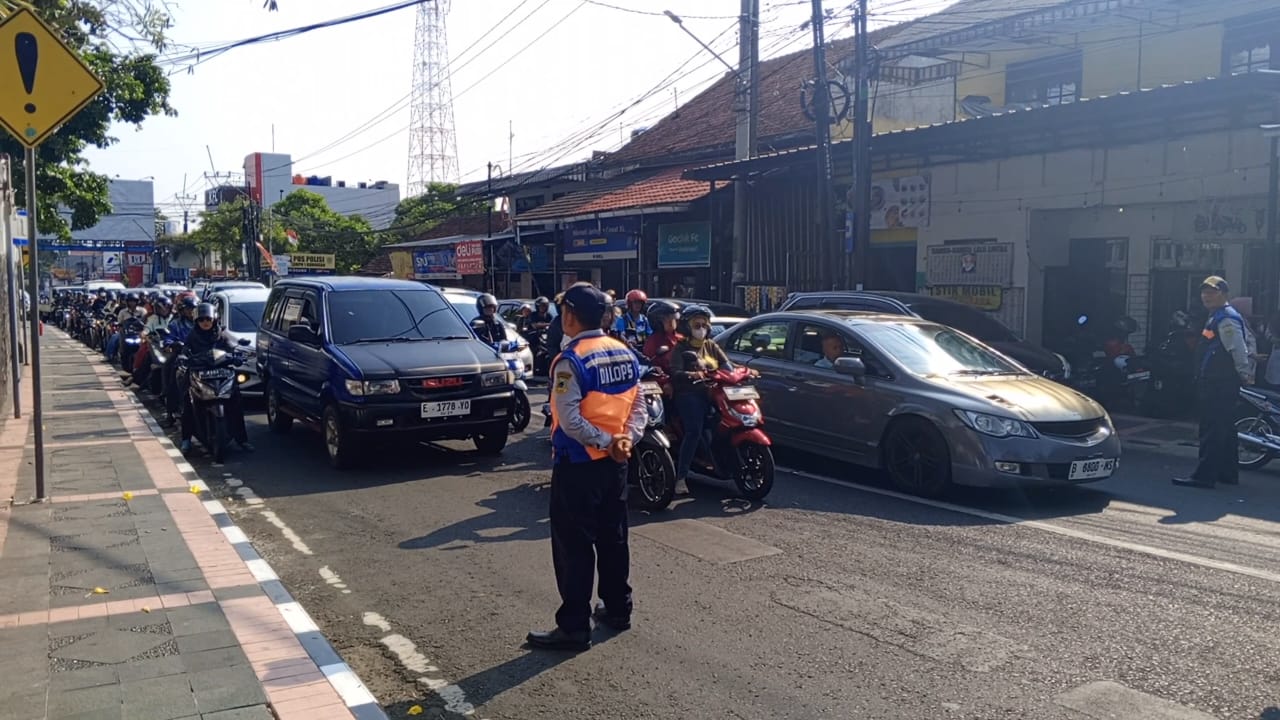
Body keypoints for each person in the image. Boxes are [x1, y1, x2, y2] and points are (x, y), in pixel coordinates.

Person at [527, 283, 646, 653]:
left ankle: (574, 626)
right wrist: (626, 439)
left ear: (568, 315)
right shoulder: (624, 351)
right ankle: (617, 608)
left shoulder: (571, 359)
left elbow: (570, 420)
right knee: (614, 538)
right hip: (616, 465)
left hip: (579, 465)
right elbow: (639, 404)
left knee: (574, 547)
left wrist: (607, 442)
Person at [1174, 276, 1253, 488]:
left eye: (1212, 292)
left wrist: (1245, 373)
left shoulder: (1226, 317)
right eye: (1204, 292)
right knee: (1226, 428)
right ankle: (1227, 474)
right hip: (1219, 381)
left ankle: (1204, 476)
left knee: (1212, 428)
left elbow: (1237, 347)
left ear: (1224, 294)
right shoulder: (1217, 316)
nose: (1206, 296)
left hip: (1219, 382)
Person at [668, 304, 732, 493]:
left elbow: (726, 364)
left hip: (712, 392)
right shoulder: (681, 348)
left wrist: (744, 371)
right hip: (689, 394)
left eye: (704, 324)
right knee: (694, 431)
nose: (701, 328)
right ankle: (681, 477)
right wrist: (691, 375)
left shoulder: (711, 345)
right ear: (687, 327)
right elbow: (675, 371)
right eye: (697, 325)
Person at [179, 303, 253, 454]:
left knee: (236, 401)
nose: (205, 322)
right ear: (196, 321)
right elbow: (185, 350)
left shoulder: (221, 334)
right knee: (187, 401)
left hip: (222, 373)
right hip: (199, 373)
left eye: (208, 319)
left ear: (214, 319)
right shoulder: (192, 336)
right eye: (201, 320)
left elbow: (231, 347)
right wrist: (183, 356)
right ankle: (186, 439)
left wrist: (237, 356)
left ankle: (242, 439)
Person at [641, 300, 681, 374]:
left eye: (673, 318)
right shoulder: (653, 341)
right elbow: (650, 364)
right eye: (668, 319)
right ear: (657, 322)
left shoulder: (680, 338)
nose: (673, 321)